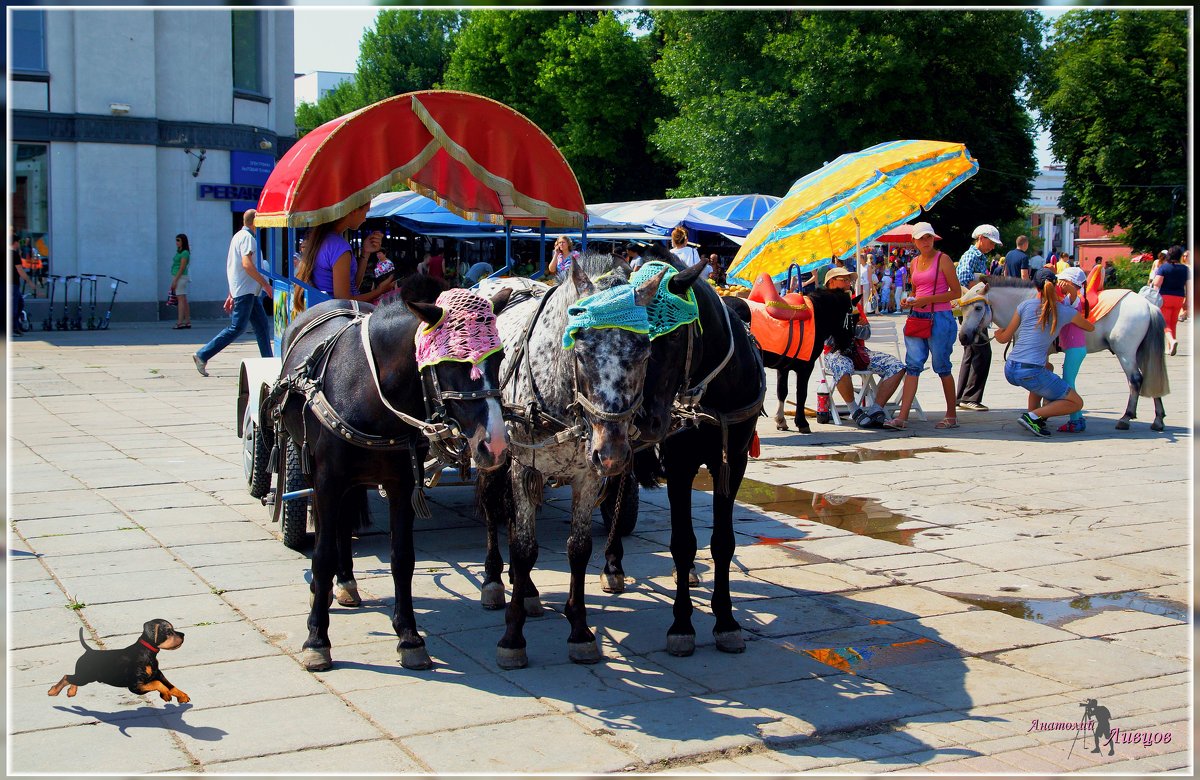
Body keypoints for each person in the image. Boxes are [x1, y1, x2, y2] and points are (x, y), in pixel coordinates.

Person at [995, 268, 1095, 437]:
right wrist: (1072, 299)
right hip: (1031, 371)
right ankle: (1033, 416)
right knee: (1076, 403)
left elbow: (1004, 338)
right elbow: (1090, 327)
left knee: (1047, 368)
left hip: (1011, 368)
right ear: (1055, 286)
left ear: (1036, 287)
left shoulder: (1024, 306)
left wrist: (997, 333)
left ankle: (1034, 417)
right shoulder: (1064, 311)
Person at [885, 222, 962, 431]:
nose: (926, 241)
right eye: (921, 238)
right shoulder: (914, 262)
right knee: (913, 365)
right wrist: (909, 300)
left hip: (940, 317)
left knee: (942, 366)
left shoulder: (943, 259)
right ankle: (902, 417)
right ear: (914, 241)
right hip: (918, 315)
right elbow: (917, 291)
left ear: (933, 238)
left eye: (928, 237)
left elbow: (956, 293)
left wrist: (925, 299)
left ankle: (951, 415)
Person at [821, 266, 906, 428]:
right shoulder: (823, 303)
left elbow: (866, 333)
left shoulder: (853, 302)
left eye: (849, 280)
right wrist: (841, 325)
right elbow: (825, 339)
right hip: (835, 352)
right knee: (842, 365)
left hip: (858, 351)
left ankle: (876, 408)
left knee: (897, 366)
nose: (848, 283)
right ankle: (854, 409)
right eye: (844, 280)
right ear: (831, 282)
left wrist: (855, 325)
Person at [193, 210, 273, 376]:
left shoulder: (238, 236)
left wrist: (231, 293)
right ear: (255, 222)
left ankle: (269, 361)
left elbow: (234, 268)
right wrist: (265, 284)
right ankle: (203, 354)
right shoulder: (247, 238)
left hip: (248, 291)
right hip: (247, 291)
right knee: (237, 327)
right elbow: (246, 264)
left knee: (262, 326)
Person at [292, 203, 396, 316]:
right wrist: (380, 291)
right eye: (365, 212)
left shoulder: (323, 240)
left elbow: (352, 285)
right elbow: (344, 300)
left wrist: (365, 253)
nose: (365, 219)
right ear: (353, 210)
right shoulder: (339, 246)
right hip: (340, 316)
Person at [955, 225, 1002, 411]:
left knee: (971, 353)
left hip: (974, 311)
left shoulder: (979, 257)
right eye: (991, 242)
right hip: (972, 312)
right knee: (982, 353)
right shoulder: (971, 256)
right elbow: (964, 279)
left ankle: (962, 397)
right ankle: (970, 397)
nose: (993, 247)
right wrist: (984, 289)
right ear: (981, 238)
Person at [1055, 267, 1091, 432]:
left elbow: (1074, 294)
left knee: (1068, 384)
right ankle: (1077, 418)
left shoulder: (1074, 299)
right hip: (1074, 348)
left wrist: (1068, 287)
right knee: (1068, 382)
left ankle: (1076, 419)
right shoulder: (1067, 299)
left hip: (1075, 348)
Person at [1152, 245, 1189, 355]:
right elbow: (1189, 286)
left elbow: (1157, 283)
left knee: (1165, 323)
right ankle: (1170, 348)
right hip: (1179, 298)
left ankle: (1172, 341)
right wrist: (1187, 302)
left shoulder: (1164, 267)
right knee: (1173, 322)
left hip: (1165, 297)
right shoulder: (1185, 269)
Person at [11, 229, 35, 336]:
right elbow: (20, 270)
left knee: (19, 303)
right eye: (18, 243)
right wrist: (30, 282)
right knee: (15, 306)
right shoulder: (14, 254)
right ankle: (13, 327)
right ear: (15, 243)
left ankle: (14, 326)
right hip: (12, 285)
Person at [169, 233, 191, 329]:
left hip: (180, 277)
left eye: (178, 240)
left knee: (180, 299)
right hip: (178, 276)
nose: (177, 242)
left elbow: (182, 268)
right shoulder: (179, 252)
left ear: (183, 241)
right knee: (184, 300)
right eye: (176, 240)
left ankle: (180, 322)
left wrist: (175, 280)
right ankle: (187, 321)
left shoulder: (185, 253)